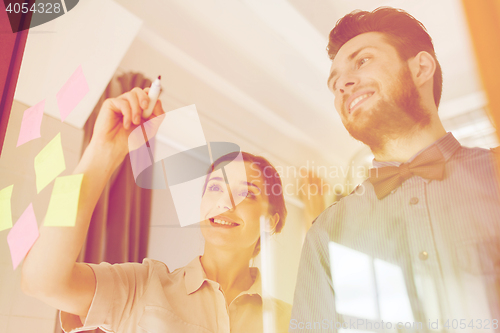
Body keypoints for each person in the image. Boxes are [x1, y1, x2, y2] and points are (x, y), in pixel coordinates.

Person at [291, 7, 500, 332]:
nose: (343, 85)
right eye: (334, 84)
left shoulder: (496, 174)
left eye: (362, 61)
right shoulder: (325, 234)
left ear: (421, 68)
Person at [20, 87, 291, 332]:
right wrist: (103, 150)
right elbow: (41, 281)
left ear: (270, 221)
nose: (225, 202)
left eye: (246, 193)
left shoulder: (291, 320)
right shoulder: (142, 286)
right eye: (216, 188)